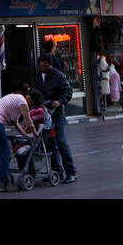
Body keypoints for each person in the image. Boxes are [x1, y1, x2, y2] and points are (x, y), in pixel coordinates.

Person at [32, 53, 77, 183]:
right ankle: (57, 171)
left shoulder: (58, 76)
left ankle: (71, 172)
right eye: (41, 66)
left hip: (56, 113)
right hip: (44, 114)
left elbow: (68, 91)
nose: (43, 69)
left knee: (61, 141)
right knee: (50, 143)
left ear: (50, 65)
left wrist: (59, 101)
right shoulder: (37, 77)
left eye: (45, 66)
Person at [0, 87, 38, 192]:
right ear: (29, 98)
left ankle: (2, 180)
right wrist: (35, 133)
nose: (29, 107)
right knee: (4, 153)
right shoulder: (22, 101)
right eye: (31, 104)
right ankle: (4, 183)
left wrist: (26, 135)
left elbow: (16, 123)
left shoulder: (15, 102)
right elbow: (29, 121)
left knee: (0, 153)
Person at [97, 52, 111, 119]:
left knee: (105, 93)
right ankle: (104, 107)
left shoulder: (103, 61)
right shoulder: (102, 61)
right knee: (104, 93)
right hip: (105, 79)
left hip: (106, 79)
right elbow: (105, 69)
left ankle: (104, 106)